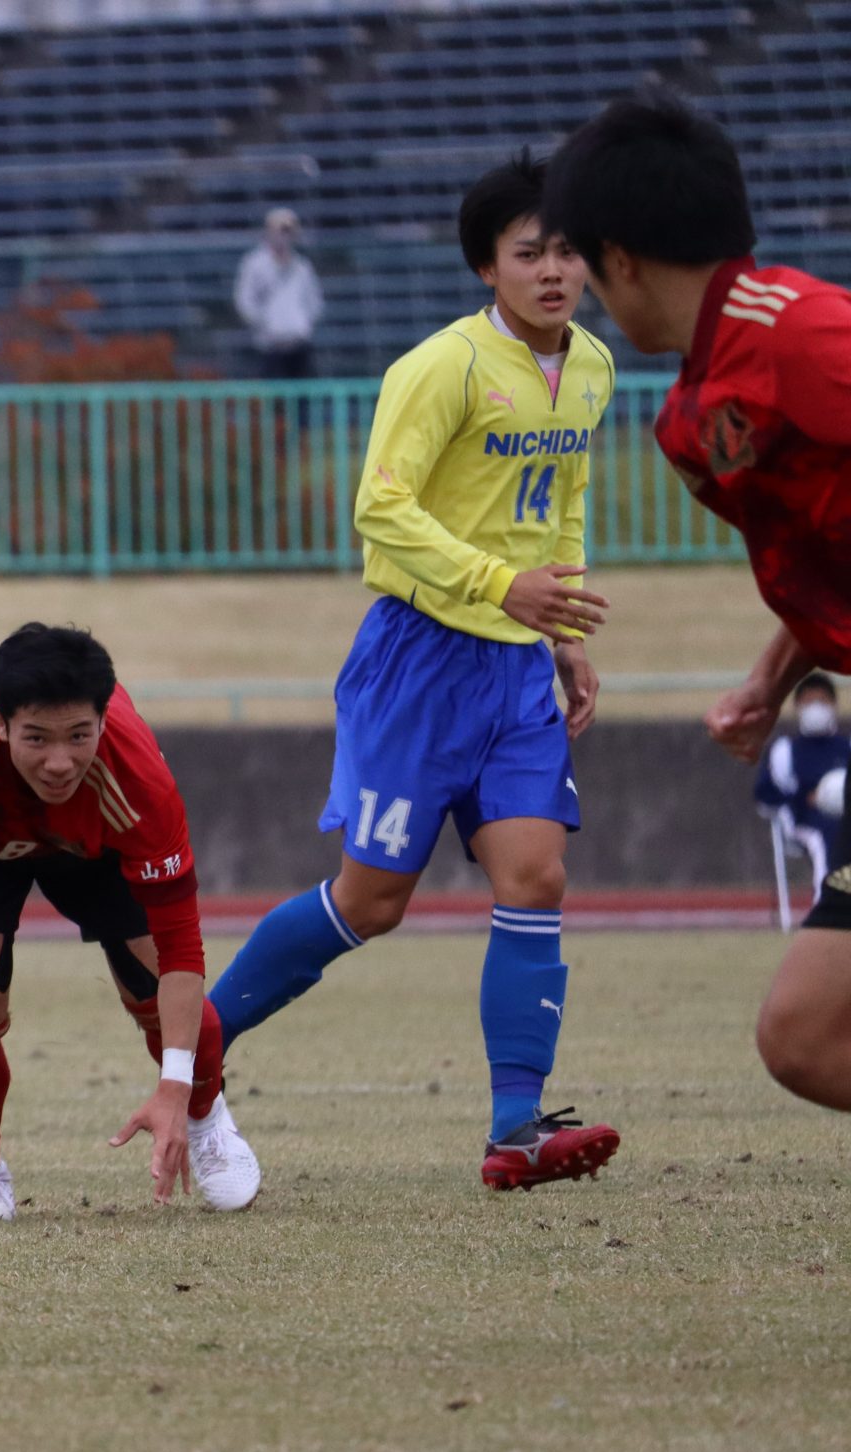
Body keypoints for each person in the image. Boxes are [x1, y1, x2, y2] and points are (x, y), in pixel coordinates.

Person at [207, 150, 622, 1191]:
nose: (552, 271)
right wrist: (497, 585)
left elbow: (561, 499)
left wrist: (562, 623)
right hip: (418, 666)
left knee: (535, 875)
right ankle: (192, 1047)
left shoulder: (593, 368)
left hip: (517, 669)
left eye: (567, 250)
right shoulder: (439, 367)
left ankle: (515, 1128)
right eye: (529, 253)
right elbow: (380, 511)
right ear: (487, 266)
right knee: (373, 900)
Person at [544, 92, 851, 1110]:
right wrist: (772, 677)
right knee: (804, 1038)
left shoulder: (803, 338)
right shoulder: (690, 416)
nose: (582, 292)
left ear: (618, 258)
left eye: (583, 265)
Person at [0, 624, 261, 1220]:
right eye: (36, 738)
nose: (58, 761)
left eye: (79, 736)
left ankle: (206, 1120)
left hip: (95, 849)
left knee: (150, 981)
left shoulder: (139, 781)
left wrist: (177, 1086)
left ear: (104, 720)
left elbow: (182, 946)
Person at [757, 674, 847, 886]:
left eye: (822, 701)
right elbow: (765, 795)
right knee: (825, 836)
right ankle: (826, 905)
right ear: (798, 706)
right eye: (809, 702)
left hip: (844, 818)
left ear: (833, 705)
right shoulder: (785, 750)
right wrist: (805, 798)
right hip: (803, 821)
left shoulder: (846, 747)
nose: (816, 707)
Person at [234, 207, 324, 379]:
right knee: (272, 399)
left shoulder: (302, 267)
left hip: (299, 345)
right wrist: (265, 324)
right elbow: (245, 301)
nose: (283, 236)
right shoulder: (255, 265)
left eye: (288, 231)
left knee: (301, 397)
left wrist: (302, 325)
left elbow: (314, 301)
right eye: (280, 230)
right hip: (269, 345)